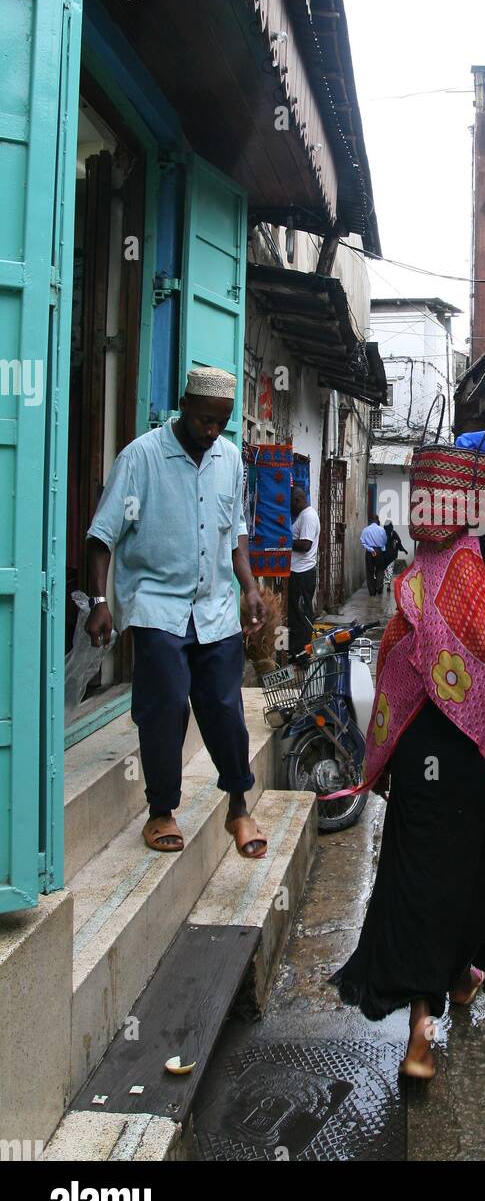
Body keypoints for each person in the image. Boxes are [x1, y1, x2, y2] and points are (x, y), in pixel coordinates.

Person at [330, 436, 485, 1081]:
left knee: (415, 882)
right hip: (467, 767)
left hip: (420, 765)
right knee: (468, 874)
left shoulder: (416, 582)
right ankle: (443, 1004)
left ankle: (423, 1029)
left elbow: (395, 673)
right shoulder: (466, 575)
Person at [84, 367, 268, 859]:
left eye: (221, 422)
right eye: (206, 420)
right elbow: (102, 536)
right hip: (156, 607)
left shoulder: (229, 458)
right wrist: (100, 602)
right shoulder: (141, 458)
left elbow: (236, 532)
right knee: (164, 708)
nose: (212, 431)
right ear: (184, 405)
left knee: (226, 709)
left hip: (214, 608)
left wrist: (249, 586)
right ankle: (161, 810)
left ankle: (237, 805)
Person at [288, 486, 320, 655]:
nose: (289, 508)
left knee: (301, 615)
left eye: (290, 504)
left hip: (302, 573)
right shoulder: (304, 515)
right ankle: (298, 651)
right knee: (297, 613)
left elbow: (305, 545)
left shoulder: (308, 516)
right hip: (299, 572)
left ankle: (301, 654)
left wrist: (285, 541)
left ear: (297, 500)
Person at [360, 515, 388, 595]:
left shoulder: (366, 530)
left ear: (371, 521)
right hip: (379, 551)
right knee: (380, 569)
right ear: (377, 521)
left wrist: (370, 549)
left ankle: (372, 591)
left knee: (370, 571)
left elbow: (362, 542)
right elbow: (385, 541)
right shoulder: (381, 530)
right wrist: (381, 548)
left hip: (369, 552)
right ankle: (379, 587)